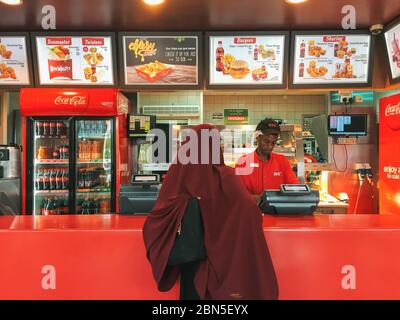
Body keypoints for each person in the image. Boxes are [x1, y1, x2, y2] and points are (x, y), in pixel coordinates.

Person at [143, 124, 278, 300]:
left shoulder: (177, 173)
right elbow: (250, 211)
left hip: (190, 260)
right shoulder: (227, 177)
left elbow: (157, 216)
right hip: (221, 264)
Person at [235, 118, 299, 201]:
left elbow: (295, 187)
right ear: (257, 137)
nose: (270, 146)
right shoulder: (243, 162)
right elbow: (235, 194)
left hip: (277, 212)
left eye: (273, 143)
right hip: (251, 211)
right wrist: (257, 199)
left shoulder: (282, 161)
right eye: (266, 141)